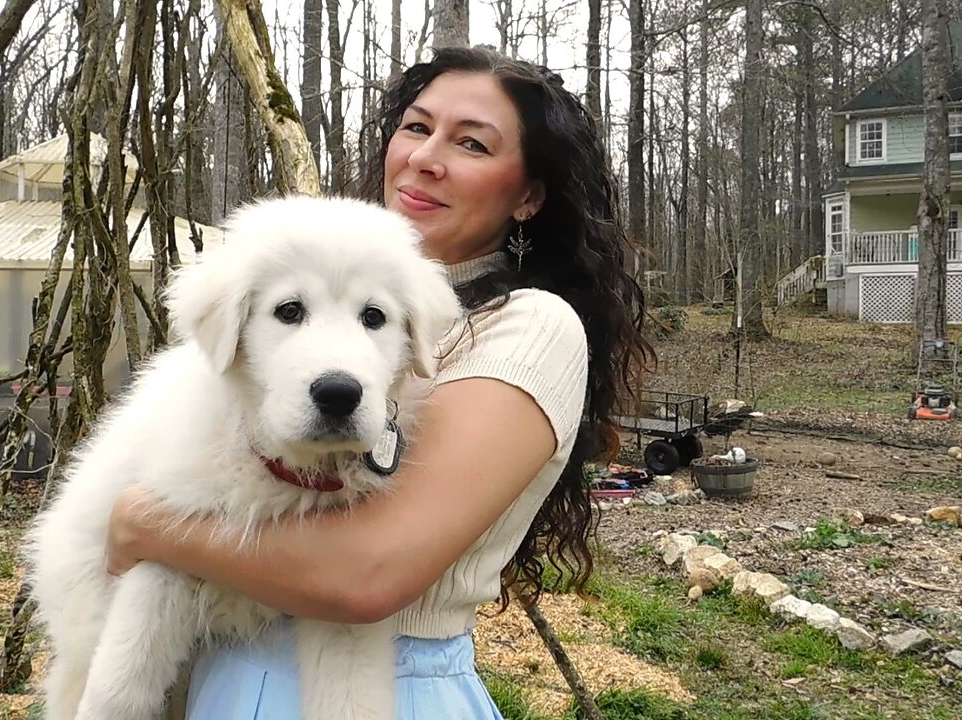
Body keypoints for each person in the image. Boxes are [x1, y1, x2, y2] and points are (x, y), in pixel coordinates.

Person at [104, 45, 651, 719]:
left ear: (529, 195)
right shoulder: (301, 276)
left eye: (472, 144)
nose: (426, 157)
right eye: (417, 127)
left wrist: (146, 524)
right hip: (224, 673)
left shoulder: (529, 326)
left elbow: (367, 573)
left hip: (384, 689)